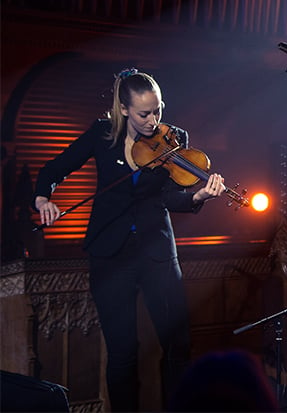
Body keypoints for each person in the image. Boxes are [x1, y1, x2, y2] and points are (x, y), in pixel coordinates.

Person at [32, 68, 227, 411]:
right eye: (144, 113)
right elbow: (53, 169)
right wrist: (42, 199)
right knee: (123, 354)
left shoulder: (172, 138)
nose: (153, 120)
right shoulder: (101, 133)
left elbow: (169, 197)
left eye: (158, 110)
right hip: (110, 255)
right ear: (123, 109)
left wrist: (197, 198)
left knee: (178, 348)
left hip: (157, 253)